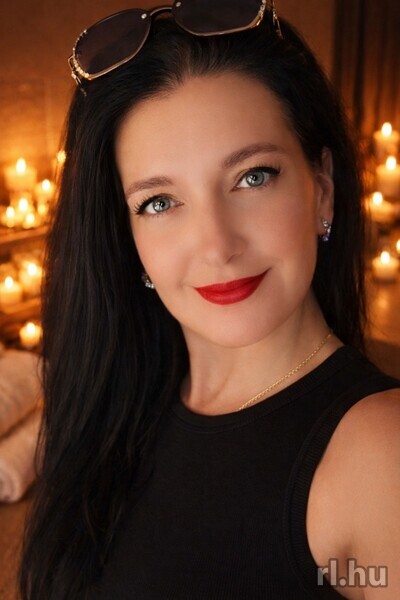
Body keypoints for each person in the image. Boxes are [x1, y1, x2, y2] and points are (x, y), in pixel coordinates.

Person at [20, 2, 400, 598]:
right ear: (126, 237)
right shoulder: (116, 412)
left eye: (253, 177)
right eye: (159, 203)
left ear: (322, 189)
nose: (218, 247)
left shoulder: (382, 453)